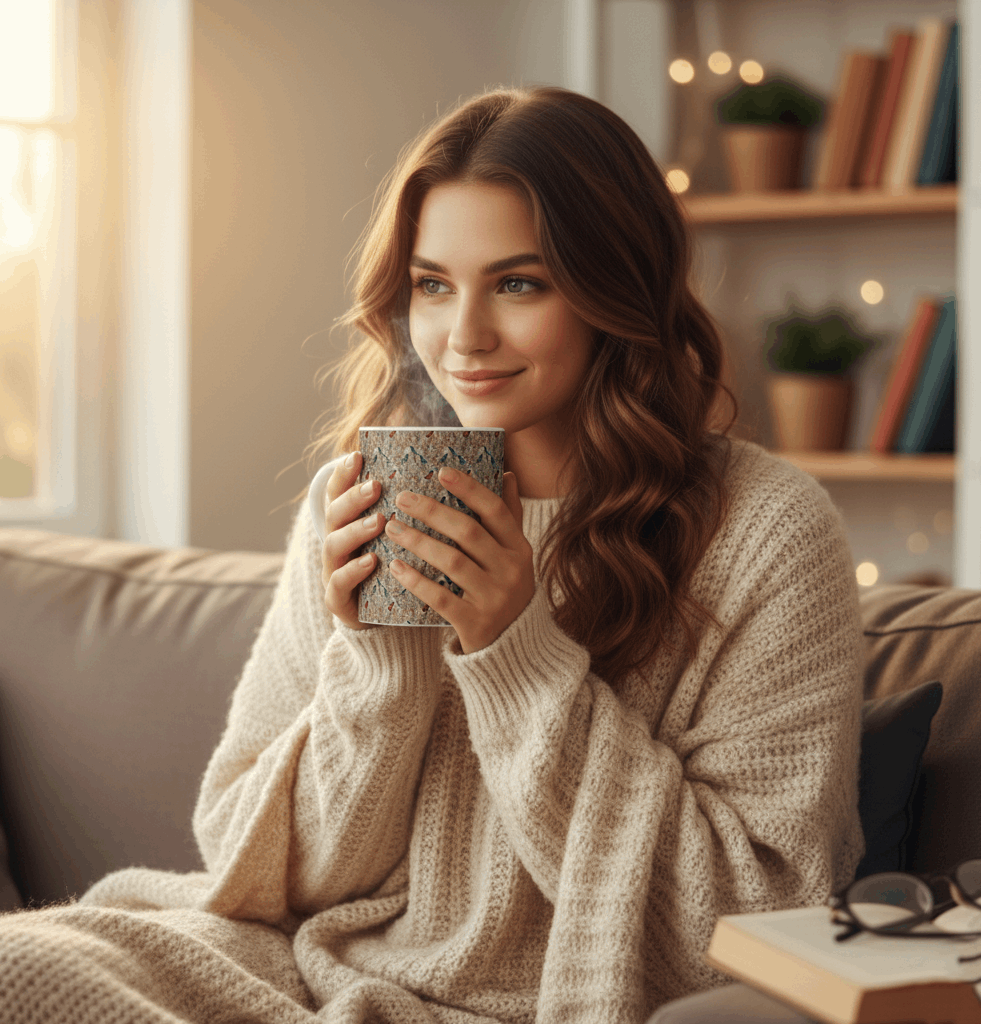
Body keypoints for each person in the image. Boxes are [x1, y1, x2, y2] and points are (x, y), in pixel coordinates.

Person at [0, 86, 865, 1024]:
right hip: (301, 963)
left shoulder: (765, 531)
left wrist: (517, 654)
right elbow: (259, 876)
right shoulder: (363, 493)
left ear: (617, 290)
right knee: (23, 966)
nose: (466, 337)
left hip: (530, 1002)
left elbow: (747, 916)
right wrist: (380, 660)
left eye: (520, 283)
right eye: (433, 284)